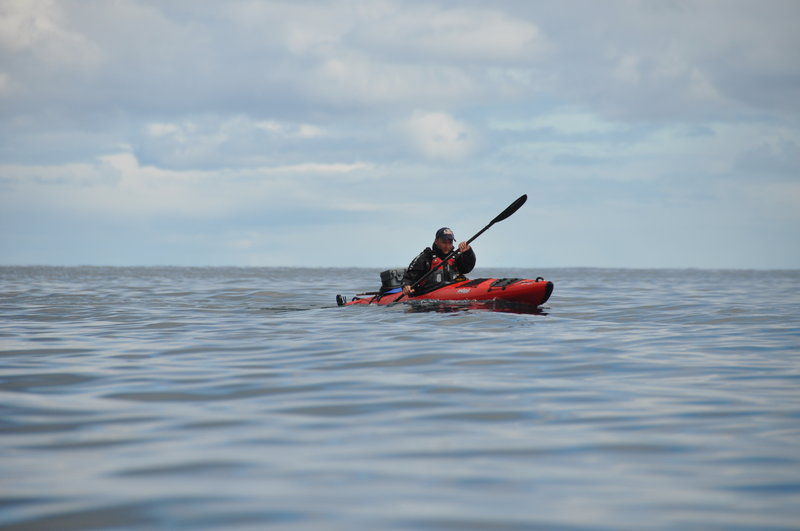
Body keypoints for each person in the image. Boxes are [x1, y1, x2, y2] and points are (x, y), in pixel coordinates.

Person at [401, 227, 476, 296]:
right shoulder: (426, 257)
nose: (447, 246)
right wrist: (406, 285)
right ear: (436, 241)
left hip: (455, 291)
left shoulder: (456, 256)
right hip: (430, 296)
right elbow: (409, 277)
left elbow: (467, 268)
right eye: (444, 242)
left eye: (450, 242)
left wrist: (468, 251)